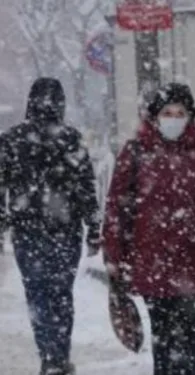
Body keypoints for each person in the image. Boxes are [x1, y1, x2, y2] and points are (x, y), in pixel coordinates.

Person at [102, 83, 195, 374]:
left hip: (193, 257)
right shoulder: (136, 151)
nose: (174, 118)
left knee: (191, 335)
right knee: (163, 336)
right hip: (153, 259)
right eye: (167, 112)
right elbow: (117, 208)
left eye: (180, 112)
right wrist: (114, 255)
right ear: (155, 116)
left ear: (190, 116)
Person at [0, 78, 100, 375]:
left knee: (37, 294)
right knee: (61, 294)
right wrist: (93, 227)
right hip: (64, 231)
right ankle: (59, 352)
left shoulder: (11, 140)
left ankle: (48, 354)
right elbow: (85, 188)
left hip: (27, 231)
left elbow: (1, 186)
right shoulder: (70, 139)